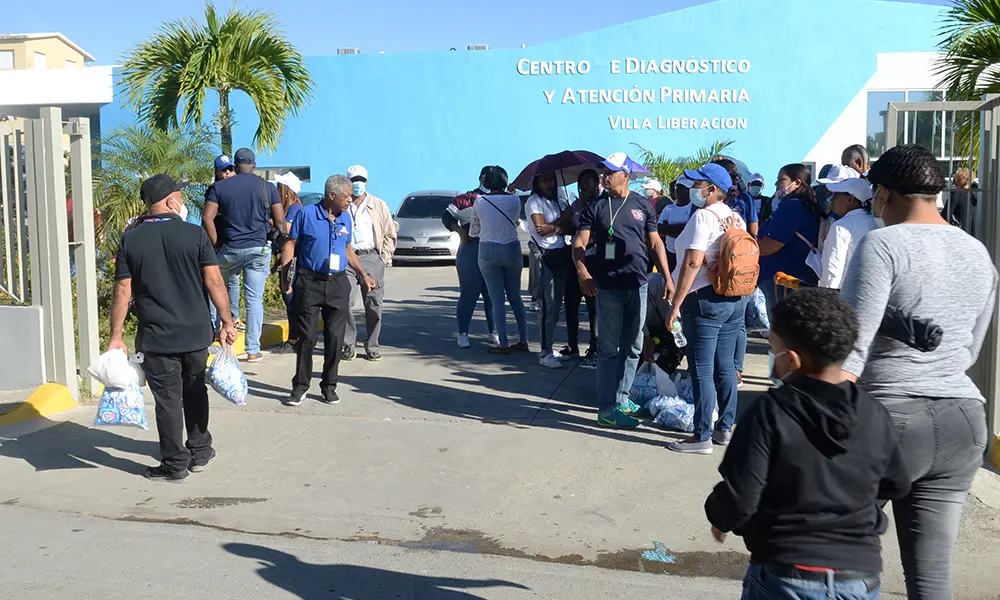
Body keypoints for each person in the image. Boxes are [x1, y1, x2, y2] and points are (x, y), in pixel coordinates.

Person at [840, 145, 996, 600]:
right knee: (931, 578)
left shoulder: (883, 244)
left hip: (888, 414)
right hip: (962, 420)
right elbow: (969, 348)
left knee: (838, 559)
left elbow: (850, 350)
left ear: (884, 192)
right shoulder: (977, 252)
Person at [705, 288, 910, 600]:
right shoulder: (875, 413)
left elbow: (741, 496)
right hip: (859, 577)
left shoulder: (769, 412)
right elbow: (896, 483)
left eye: (773, 351)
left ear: (792, 360)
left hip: (785, 574)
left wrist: (720, 518)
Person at [108, 174, 239, 483]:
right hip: (195, 335)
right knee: (195, 391)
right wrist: (227, 321)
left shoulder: (131, 240)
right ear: (170, 202)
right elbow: (214, 281)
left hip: (156, 338)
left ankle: (174, 463)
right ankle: (200, 450)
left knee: (167, 400)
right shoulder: (195, 235)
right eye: (180, 197)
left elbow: (122, 292)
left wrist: (116, 337)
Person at [573, 152, 672, 429]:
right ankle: (606, 409)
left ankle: (622, 397)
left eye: (610, 172)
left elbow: (655, 244)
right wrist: (584, 273)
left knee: (633, 346)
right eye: (603, 172)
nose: (603, 176)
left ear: (625, 176)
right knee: (608, 349)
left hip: (638, 284)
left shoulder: (642, 205)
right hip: (608, 288)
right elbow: (579, 243)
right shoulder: (596, 207)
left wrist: (667, 278)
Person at [665, 163, 749, 454]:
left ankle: (700, 436)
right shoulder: (734, 217)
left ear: (712, 190)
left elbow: (692, 262)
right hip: (733, 299)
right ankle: (724, 428)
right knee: (725, 366)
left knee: (701, 369)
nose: (693, 189)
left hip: (702, 299)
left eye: (697, 184)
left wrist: (676, 303)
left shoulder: (703, 216)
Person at [281, 175, 377, 407]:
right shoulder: (306, 215)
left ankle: (329, 386)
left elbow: (347, 248)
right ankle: (301, 386)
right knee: (307, 337)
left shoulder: (345, 218)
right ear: (331, 195)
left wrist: (363, 274)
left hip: (337, 283)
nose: (350, 201)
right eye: (346, 196)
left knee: (335, 338)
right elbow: (291, 244)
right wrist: (286, 277)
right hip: (310, 282)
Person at [202, 147, 286, 363]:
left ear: (236, 166)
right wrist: (281, 246)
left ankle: (214, 331)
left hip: (230, 249)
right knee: (254, 299)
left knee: (214, 284)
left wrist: (216, 243)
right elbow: (280, 222)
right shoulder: (267, 188)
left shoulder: (219, 188)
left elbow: (207, 219)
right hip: (259, 249)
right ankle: (252, 349)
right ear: (254, 165)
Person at [341, 165, 396, 362]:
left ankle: (372, 345)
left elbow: (390, 233)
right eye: (354, 179)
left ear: (366, 182)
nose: (358, 184)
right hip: (347, 257)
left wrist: (384, 258)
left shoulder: (378, 205)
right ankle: (348, 344)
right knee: (345, 301)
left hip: (372, 257)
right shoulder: (342, 205)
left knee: (373, 303)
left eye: (361, 180)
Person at [472, 166, 529, 354]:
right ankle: (523, 339)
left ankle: (503, 343)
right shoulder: (514, 200)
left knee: (497, 299)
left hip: (488, 248)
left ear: (486, 183)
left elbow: (474, 230)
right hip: (512, 247)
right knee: (515, 297)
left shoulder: (480, 202)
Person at [444, 167, 499, 349]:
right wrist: (459, 230)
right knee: (469, 293)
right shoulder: (466, 198)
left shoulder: (502, 197)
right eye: (489, 177)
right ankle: (463, 333)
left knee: (492, 294)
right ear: (482, 178)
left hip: (492, 247)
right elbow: (446, 216)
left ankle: (494, 332)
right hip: (470, 248)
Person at [757, 164, 821, 318]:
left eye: (782, 180)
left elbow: (771, 245)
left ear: (797, 182)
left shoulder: (793, 206)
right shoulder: (802, 205)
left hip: (784, 280)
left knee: (783, 333)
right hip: (791, 278)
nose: (777, 184)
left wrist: (747, 249)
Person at [526, 172, 574, 369]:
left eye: (551, 179)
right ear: (536, 183)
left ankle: (549, 346)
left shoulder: (557, 202)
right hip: (544, 256)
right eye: (544, 179)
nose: (549, 183)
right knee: (547, 305)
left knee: (556, 306)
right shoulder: (533, 201)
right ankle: (545, 352)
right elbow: (540, 229)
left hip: (560, 254)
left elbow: (569, 228)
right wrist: (560, 223)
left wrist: (559, 224)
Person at [563, 169, 601, 368]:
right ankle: (572, 343)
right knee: (571, 301)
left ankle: (594, 346)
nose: (587, 188)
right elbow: (567, 223)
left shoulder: (602, 204)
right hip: (576, 257)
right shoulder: (576, 205)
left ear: (597, 185)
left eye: (590, 184)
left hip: (594, 257)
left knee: (593, 305)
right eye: (583, 185)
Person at [816, 171, 876, 289]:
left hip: (845, 296)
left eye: (836, 195)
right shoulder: (875, 222)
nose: (831, 200)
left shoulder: (841, 226)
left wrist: (825, 298)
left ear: (850, 199)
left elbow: (832, 269)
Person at [273, 173, 304, 354]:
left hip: (292, 261)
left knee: (290, 297)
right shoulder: (291, 209)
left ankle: (295, 339)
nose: (277, 190)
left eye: (279, 187)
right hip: (287, 260)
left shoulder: (294, 210)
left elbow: (288, 235)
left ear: (287, 190)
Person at [205, 154, 238, 328]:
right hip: (218, 241)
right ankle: (213, 321)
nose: (227, 173)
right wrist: (215, 243)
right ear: (217, 172)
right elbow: (208, 219)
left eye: (230, 169)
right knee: (215, 280)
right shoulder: (214, 191)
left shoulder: (238, 189)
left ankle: (234, 316)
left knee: (233, 281)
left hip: (233, 240)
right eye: (223, 170)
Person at [658, 176, 694, 274]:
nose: (679, 191)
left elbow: (691, 229)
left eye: (683, 189)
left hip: (687, 254)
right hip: (671, 253)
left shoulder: (694, 208)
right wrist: (679, 229)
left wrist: (670, 229)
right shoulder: (668, 209)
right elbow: (660, 228)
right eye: (677, 188)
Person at [714, 158, 759, 237]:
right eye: (731, 175)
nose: (736, 178)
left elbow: (754, 233)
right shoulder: (706, 199)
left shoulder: (745, 199)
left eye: (737, 175)